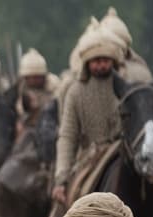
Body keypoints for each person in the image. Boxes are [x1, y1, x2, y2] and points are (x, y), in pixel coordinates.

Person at [52, 21, 126, 206]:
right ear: (87, 63)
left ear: (113, 61)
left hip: (125, 154)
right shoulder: (76, 92)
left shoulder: (128, 88)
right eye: (96, 61)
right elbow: (68, 136)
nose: (101, 65)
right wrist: (62, 177)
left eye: (105, 60)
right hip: (89, 159)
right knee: (66, 207)